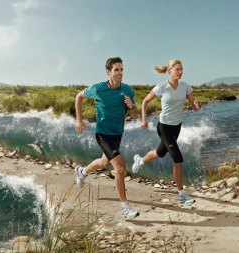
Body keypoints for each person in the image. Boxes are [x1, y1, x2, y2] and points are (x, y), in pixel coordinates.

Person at [74, 57, 139, 220]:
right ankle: (125, 207)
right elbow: (79, 97)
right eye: (116, 70)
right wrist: (79, 119)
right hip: (102, 134)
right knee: (120, 168)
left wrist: (131, 106)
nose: (120, 73)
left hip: (117, 134)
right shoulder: (98, 88)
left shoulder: (127, 90)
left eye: (122, 70)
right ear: (108, 72)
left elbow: (134, 115)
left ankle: (83, 171)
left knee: (104, 163)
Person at [131, 59, 201, 206]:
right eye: (178, 69)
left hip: (177, 127)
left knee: (160, 152)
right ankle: (182, 195)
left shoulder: (185, 87)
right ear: (170, 70)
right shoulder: (162, 87)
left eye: (182, 69)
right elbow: (145, 101)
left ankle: (140, 161)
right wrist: (143, 120)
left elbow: (194, 106)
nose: (181, 72)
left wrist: (197, 105)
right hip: (164, 126)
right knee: (178, 158)